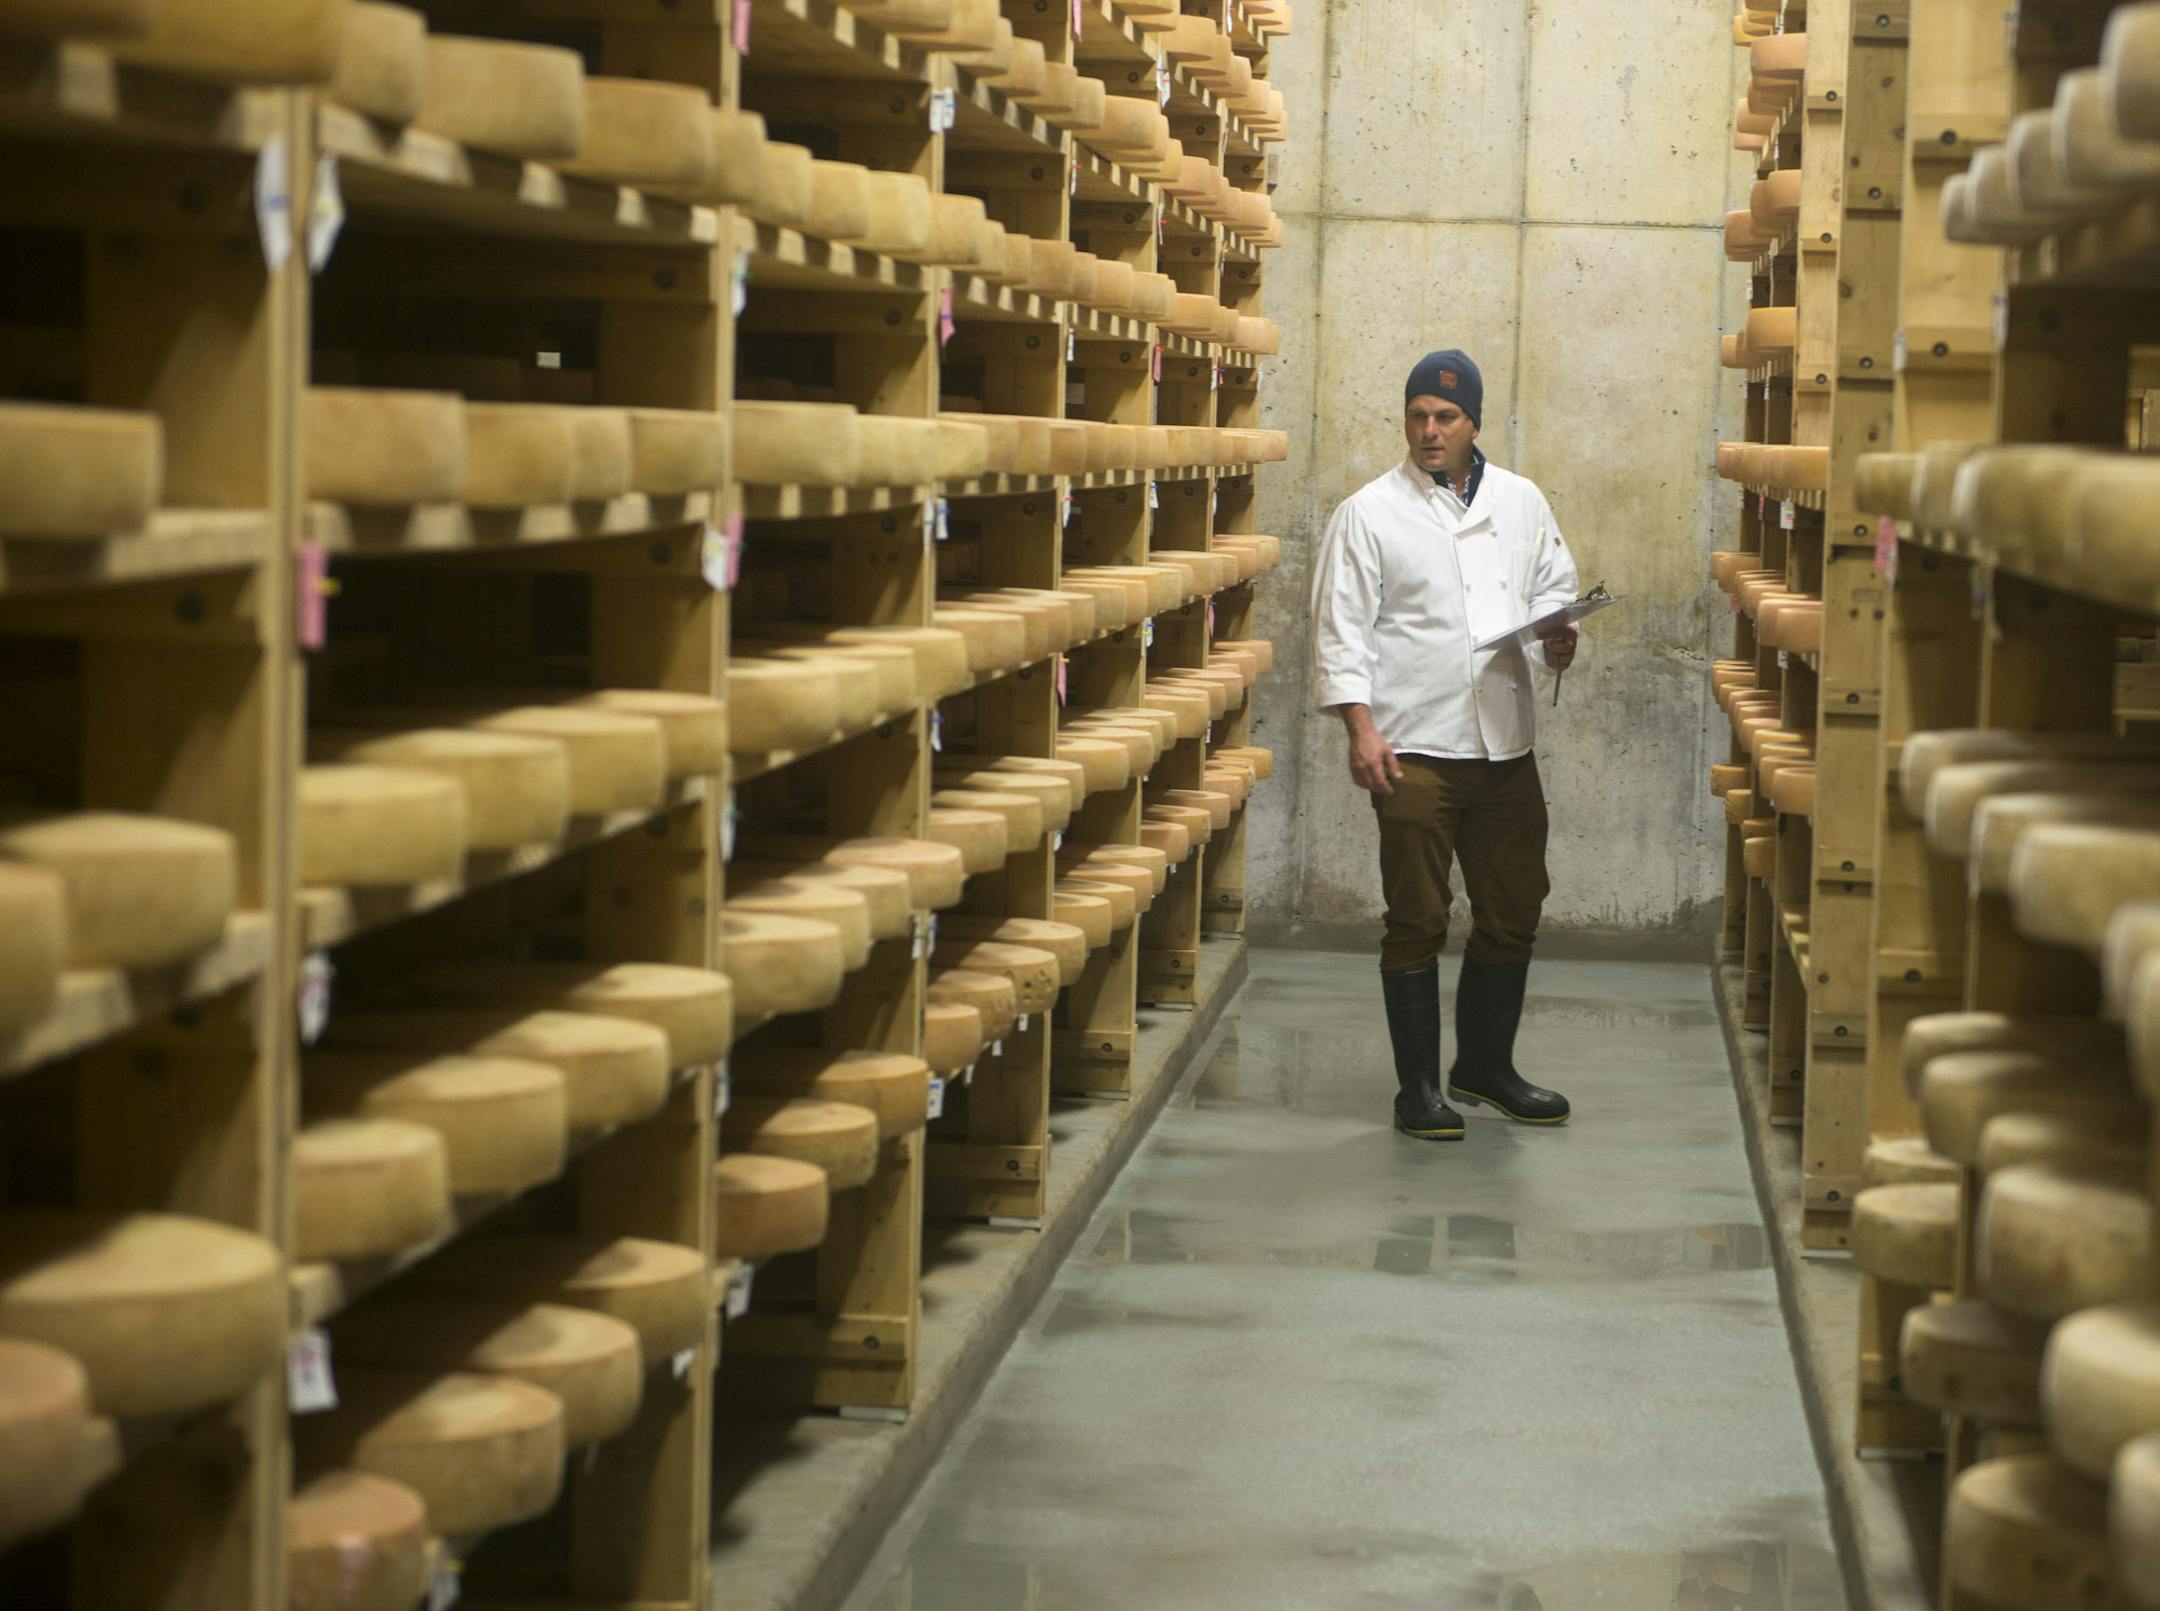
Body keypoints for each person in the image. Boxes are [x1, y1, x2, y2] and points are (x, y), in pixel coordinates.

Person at [1310, 349, 1581, 1141]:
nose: (1430, 430)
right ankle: (1418, 1090)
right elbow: (1341, 629)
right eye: (1418, 415)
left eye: (1446, 418)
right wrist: (1360, 729)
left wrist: (1558, 644)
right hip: (1413, 748)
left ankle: (1485, 1069)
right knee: (1417, 916)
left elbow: (1551, 594)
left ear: (1475, 424)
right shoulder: (1369, 512)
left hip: (1504, 750)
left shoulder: (1521, 501)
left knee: (1513, 909)